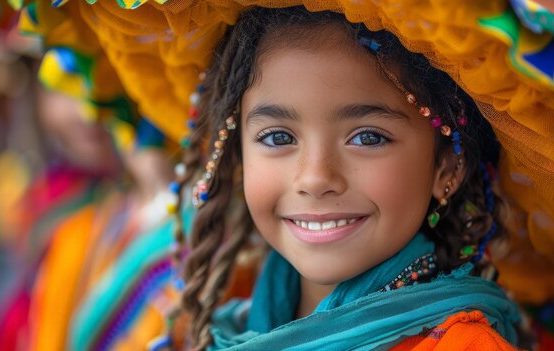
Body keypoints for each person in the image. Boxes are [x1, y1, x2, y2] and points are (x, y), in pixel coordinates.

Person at [165, 6, 524, 350]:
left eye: (368, 138)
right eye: (278, 138)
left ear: (447, 168)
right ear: (239, 156)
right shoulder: (211, 328)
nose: (316, 178)